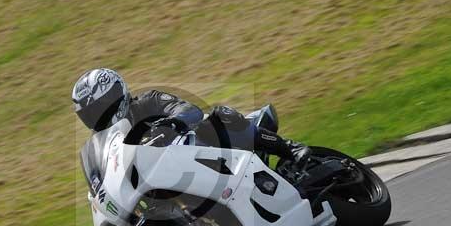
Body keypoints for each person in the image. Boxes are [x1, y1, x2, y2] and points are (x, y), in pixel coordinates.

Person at [71, 68, 310, 166]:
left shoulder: (147, 102)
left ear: (116, 96)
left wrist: (172, 123)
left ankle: (290, 148)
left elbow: (189, 110)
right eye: (90, 114)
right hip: (168, 175)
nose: (97, 117)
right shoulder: (107, 145)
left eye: (100, 108)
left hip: (202, 148)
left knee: (216, 118)